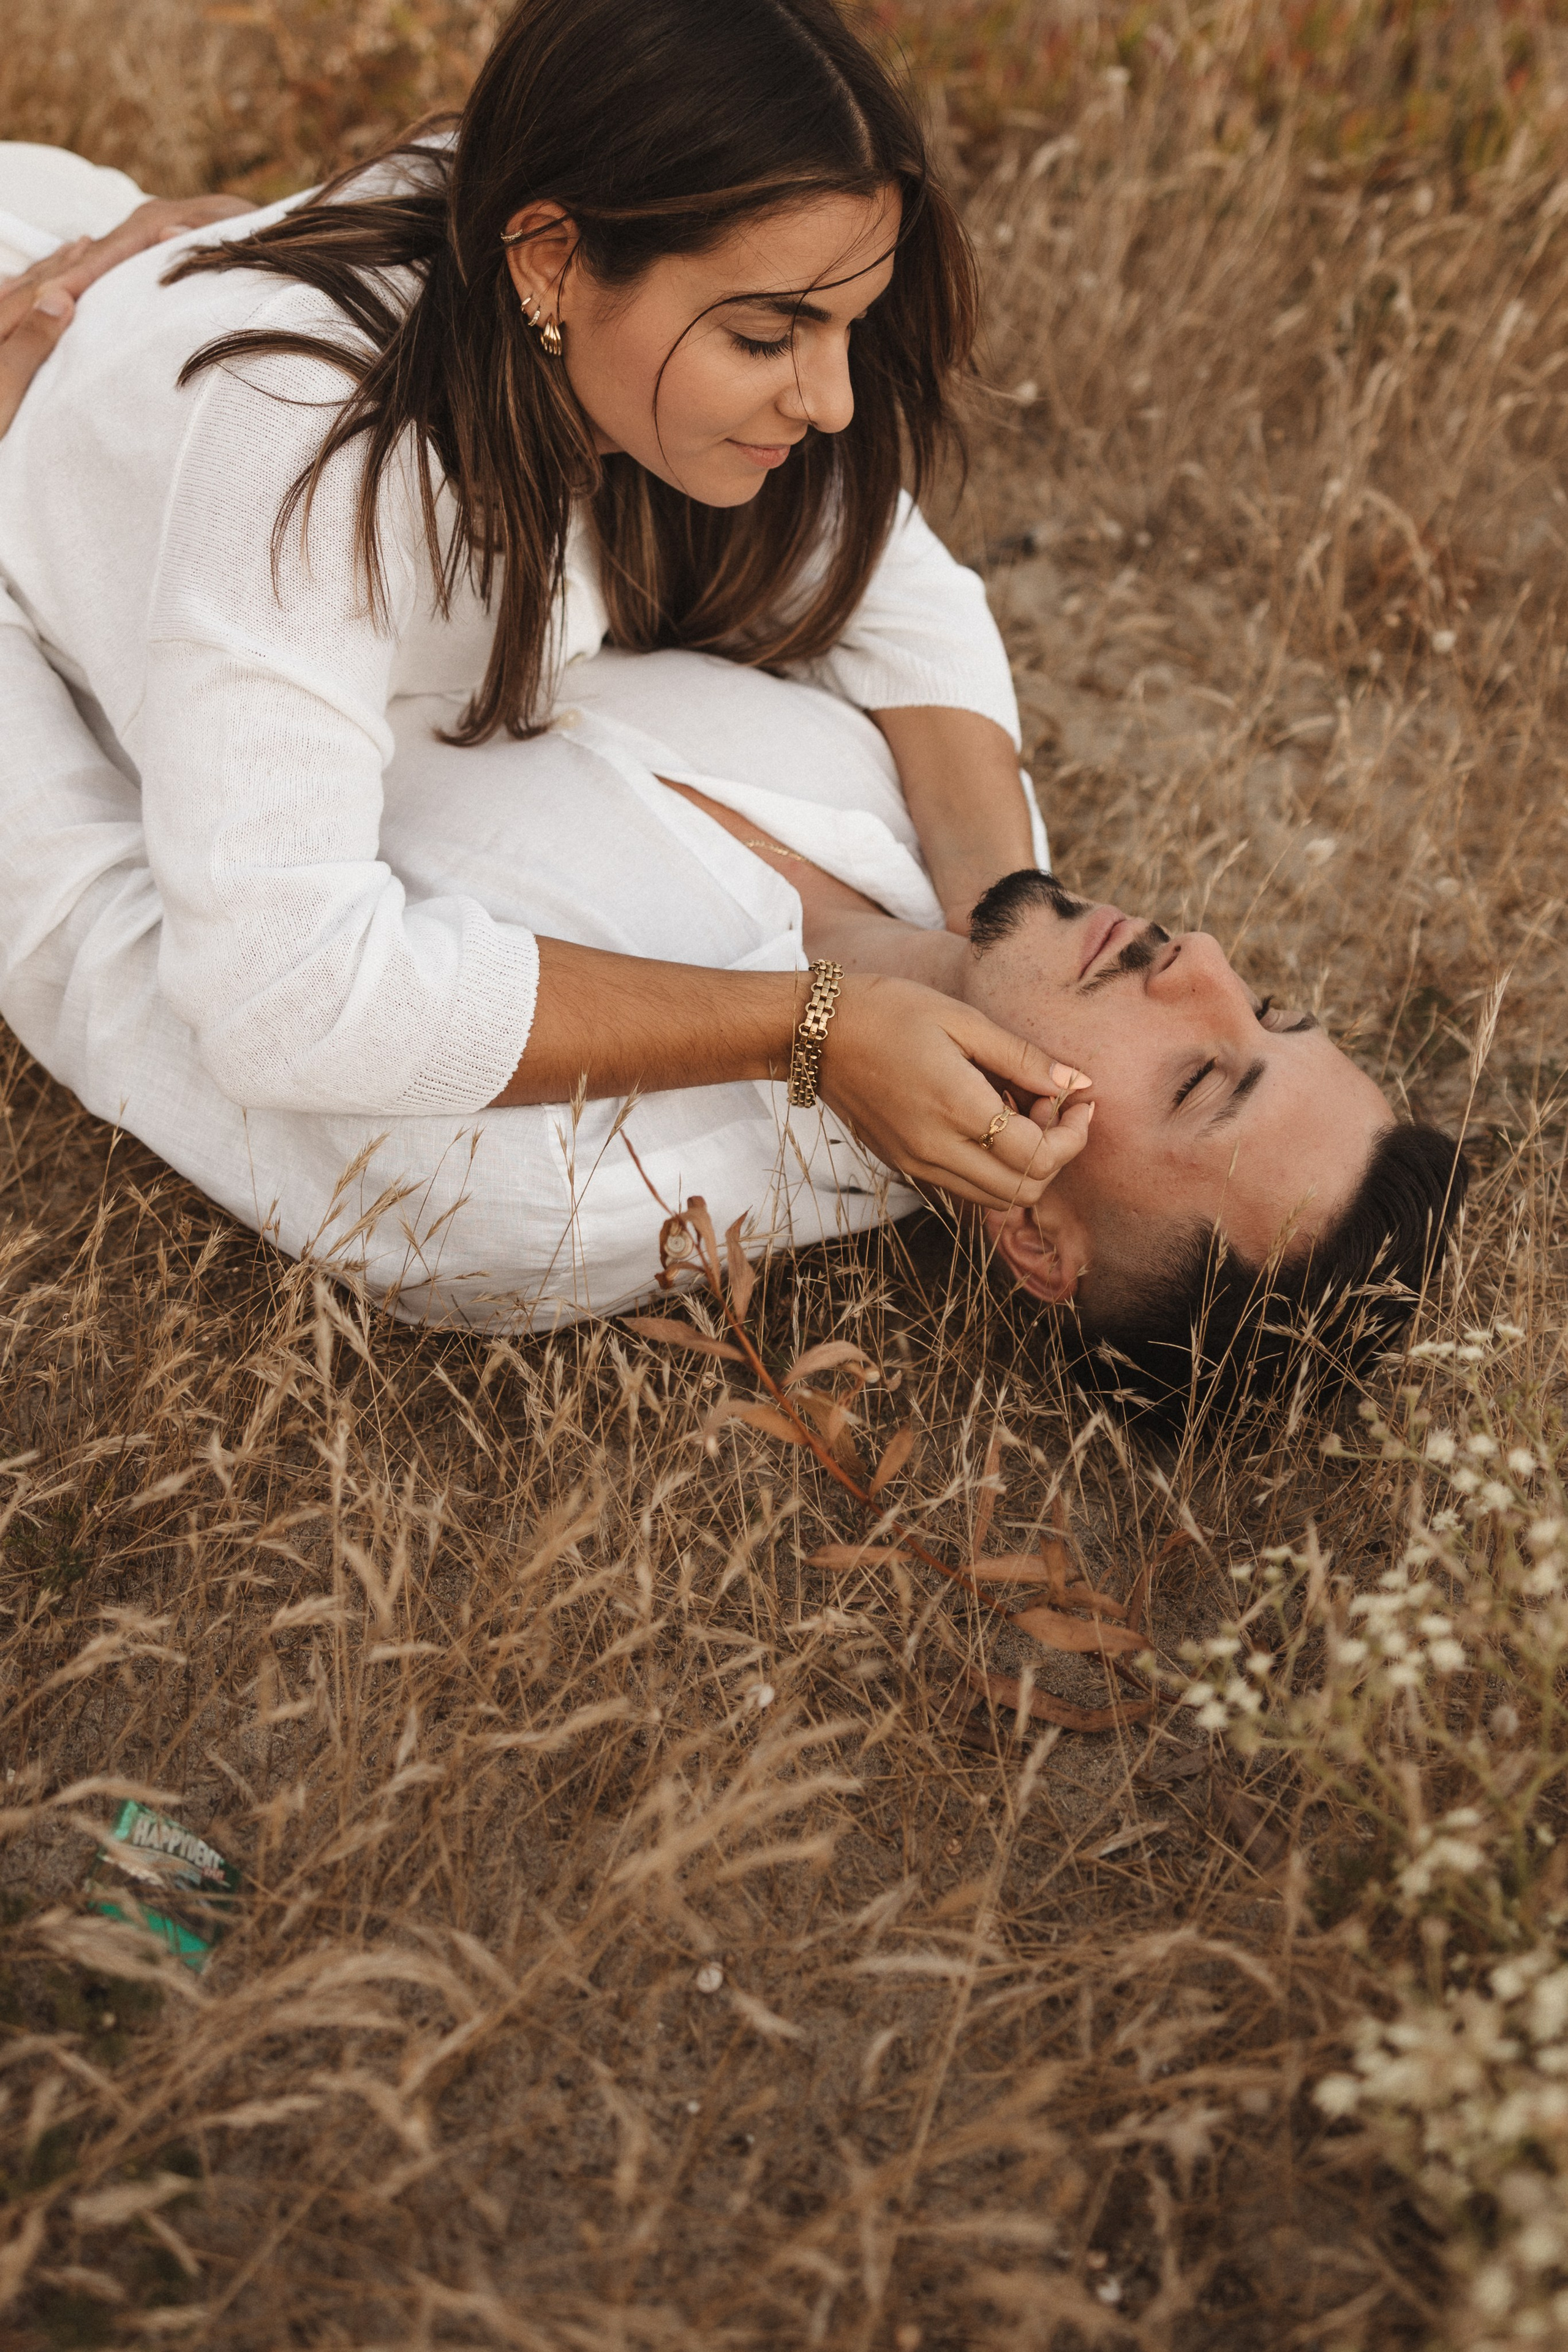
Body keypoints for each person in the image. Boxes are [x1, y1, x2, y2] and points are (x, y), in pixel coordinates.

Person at [0, 1, 1464, 1422]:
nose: (1199, 959)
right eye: (1265, 1000)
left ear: (1035, 1243)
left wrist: (812, 1028)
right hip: (69, 248)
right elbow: (894, 580)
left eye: (1205, 1074)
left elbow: (126, 938)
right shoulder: (952, 867)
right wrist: (220, 243)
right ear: (554, 262)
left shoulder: (546, 1194)